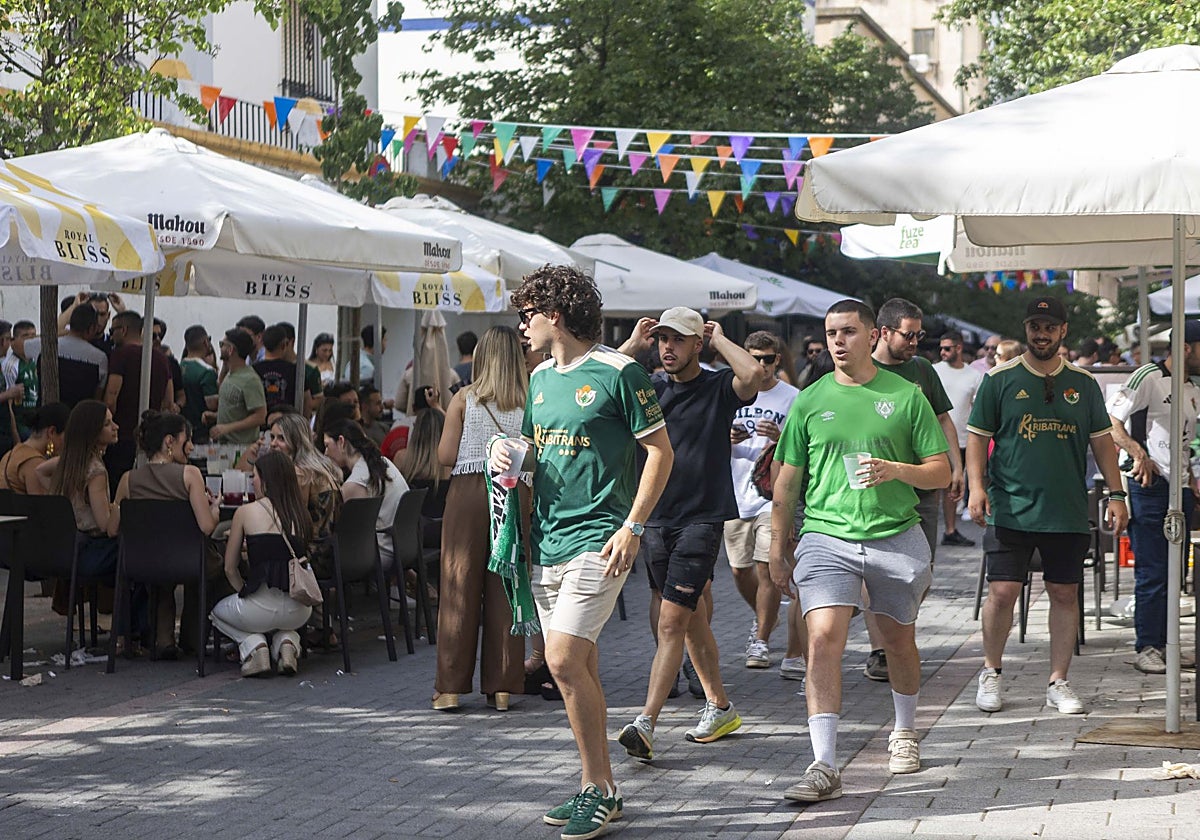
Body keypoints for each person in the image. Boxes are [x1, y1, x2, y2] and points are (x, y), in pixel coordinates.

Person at [491, 265, 672, 838]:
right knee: (581, 664)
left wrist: (633, 527)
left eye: (528, 316)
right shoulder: (540, 378)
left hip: (601, 539)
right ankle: (599, 787)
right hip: (546, 539)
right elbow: (536, 449)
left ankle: (602, 787)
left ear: (557, 315)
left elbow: (661, 454)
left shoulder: (623, 373)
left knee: (563, 660)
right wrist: (508, 456)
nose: (522, 326)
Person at [769, 299, 950, 801]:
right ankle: (823, 764)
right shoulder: (809, 399)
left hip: (895, 534)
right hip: (826, 537)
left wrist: (896, 470)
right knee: (823, 638)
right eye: (830, 334)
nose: (837, 342)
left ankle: (905, 732)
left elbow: (941, 470)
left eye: (848, 332)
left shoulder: (907, 395)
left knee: (897, 642)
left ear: (872, 336)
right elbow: (786, 482)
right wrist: (777, 546)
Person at [967, 296, 1128, 716]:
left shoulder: (1084, 383)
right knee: (1002, 591)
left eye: (1049, 326)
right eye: (1034, 325)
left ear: (1062, 332)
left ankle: (1059, 681)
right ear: (1026, 329)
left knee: (1064, 592)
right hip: (1010, 506)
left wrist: (1116, 494)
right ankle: (991, 672)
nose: (1041, 333)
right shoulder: (999, 379)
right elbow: (977, 438)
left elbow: (1104, 444)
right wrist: (975, 487)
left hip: (1066, 509)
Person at [613, 306, 761, 761]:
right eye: (661, 340)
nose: (667, 348)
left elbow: (753, 373)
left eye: (678, 340)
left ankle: (646, 722)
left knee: (671, 620)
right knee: (691, 618)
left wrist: (719, 339)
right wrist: (631, 348)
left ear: (698, 344)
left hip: (702, 517)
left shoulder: (718, 386)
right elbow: (600, 389)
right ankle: (720, 706)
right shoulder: (650, 388)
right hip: (655, 518)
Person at [431, 325, 529, 713]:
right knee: (505, 587)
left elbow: (444, 456)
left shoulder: (464, 399)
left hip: (470, 492)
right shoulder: (530, 399)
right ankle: (502, 687)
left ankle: (451, 688)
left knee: (459, 585)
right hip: (515, 492)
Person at [864, 298, 962, 682]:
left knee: (920, 571)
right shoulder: (864, 370)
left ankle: (898, 636)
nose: (915, 342)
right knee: (880, 573)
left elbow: (943, 419)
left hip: (923, 487)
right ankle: (881, 650)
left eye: (919, 335)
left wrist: (955, 467)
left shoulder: (922, 369)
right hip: (880, 489)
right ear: (884, 332)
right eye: (909, 335)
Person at [1105, 321, 1200, 675]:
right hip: (1149, 485)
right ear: (1186, 347)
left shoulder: (1191, 386)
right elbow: (1110, 420)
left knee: (1176, 571)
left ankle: (1168, 644)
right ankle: (1147, 645)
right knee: (1153, 569)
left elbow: (1183, 438)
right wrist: (1137, 452)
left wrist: (1190, 475)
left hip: (1180, 487)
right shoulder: (1148, 375)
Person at [108, 410, 221, 658]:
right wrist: (214, 509)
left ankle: (164, 638)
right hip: (187, 561)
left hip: (141, 564)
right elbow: (206, 527)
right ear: (170, 441)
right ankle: (192, 640)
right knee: (210, 562)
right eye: (187, 439)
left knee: (164, 572)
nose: (191, 446)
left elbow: (111, 528)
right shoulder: (189, 475)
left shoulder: (128, 480)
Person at [723, 331, 800, 674]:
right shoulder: (732, 391)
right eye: (755, 358)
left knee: (767, 567)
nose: (762, 365)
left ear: (777, 360)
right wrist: (726, 437)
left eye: (768, 359)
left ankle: (762, 640)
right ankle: (763, 617)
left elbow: (802, 448)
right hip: (735, 491)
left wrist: (779, 438)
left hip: (772, 495)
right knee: (740, 571)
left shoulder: (792, 398)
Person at [209, 450, 313, 677]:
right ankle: (288, 642)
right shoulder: (301, 513)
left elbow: (229, 567)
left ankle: (254, 646)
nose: (252, 481)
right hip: (300, 608)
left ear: (265, 479)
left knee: (216, 614)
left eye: (254, 475)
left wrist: (244, 592)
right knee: (283, 625)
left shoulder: (245, 512)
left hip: (259, 606)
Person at [44, 400, 122, 585]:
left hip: (64, 549)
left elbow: (40, 471)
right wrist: (119, 504)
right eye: (107, 424)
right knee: (138, 553)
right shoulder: (96, 471)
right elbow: (105, 525)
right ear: (92, 431)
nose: (115, 427)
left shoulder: (68, 463)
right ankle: (131, 613)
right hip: (90, 552)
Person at [323, 419, 410, 573]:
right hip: (404, 546)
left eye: (327, 445)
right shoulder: (384, 463)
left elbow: (348, 533)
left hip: (379, 553)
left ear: (341, 442)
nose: (325, 453)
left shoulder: (355, 483)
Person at [103, 310, 173, 493]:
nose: (112, 336)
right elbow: (169, 401)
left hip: (123, 435)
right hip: (152, 436)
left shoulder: (120, 355)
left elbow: (111, 397)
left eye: (113, 331)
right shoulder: (161, 358)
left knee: (120, 488)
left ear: (124, 330)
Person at [933, 330, 984, 548]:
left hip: (962, 439)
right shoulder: (933, 371)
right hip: (933, 439)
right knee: (931, 487)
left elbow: (978, 409)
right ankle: (927, 529)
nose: (942, 352)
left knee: (953, 488)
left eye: (947, 348)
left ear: (959, 348)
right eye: (941, 348)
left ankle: (950, 530)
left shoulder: (973, 376)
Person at [15, 304, 107, 408]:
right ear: (92, 328)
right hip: (80, 418)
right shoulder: (100, 359)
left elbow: (15, 345)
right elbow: (97, 397)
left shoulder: (46, 346)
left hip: (46, 414)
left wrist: (56, 334)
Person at [205, 329, 267, 445]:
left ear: (231, 349)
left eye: (222, 345)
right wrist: (216, 416)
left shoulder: (250, 380)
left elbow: (260, 416)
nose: (220, 348)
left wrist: (227, 428)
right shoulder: (230, 375)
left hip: (242, 448)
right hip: (225, 446)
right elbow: (237, 409)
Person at [0, 403, 69, 494]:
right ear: (52, 432)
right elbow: (43, 506)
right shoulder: (35, 463)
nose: (67, 443)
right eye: (67, 436)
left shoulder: (10, 454)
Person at [253, 324, 312, 414]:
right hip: (289, 424)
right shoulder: (295, 371)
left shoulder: (253, 370)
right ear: (284, 345)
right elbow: (306, 400)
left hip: (260, 425)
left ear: (263, 344)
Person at [180, 326, 219, 444]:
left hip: (181, 429)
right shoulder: (207, 372)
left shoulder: (178, 367)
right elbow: (212, 405)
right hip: (201, 431)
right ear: (206, 342)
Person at [152, 318, 186, 410]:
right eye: (153, 336)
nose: (158, 339)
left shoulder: (170, 363)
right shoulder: (133, 359)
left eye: (160, 335)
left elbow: (181, 395)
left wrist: (177, 406)